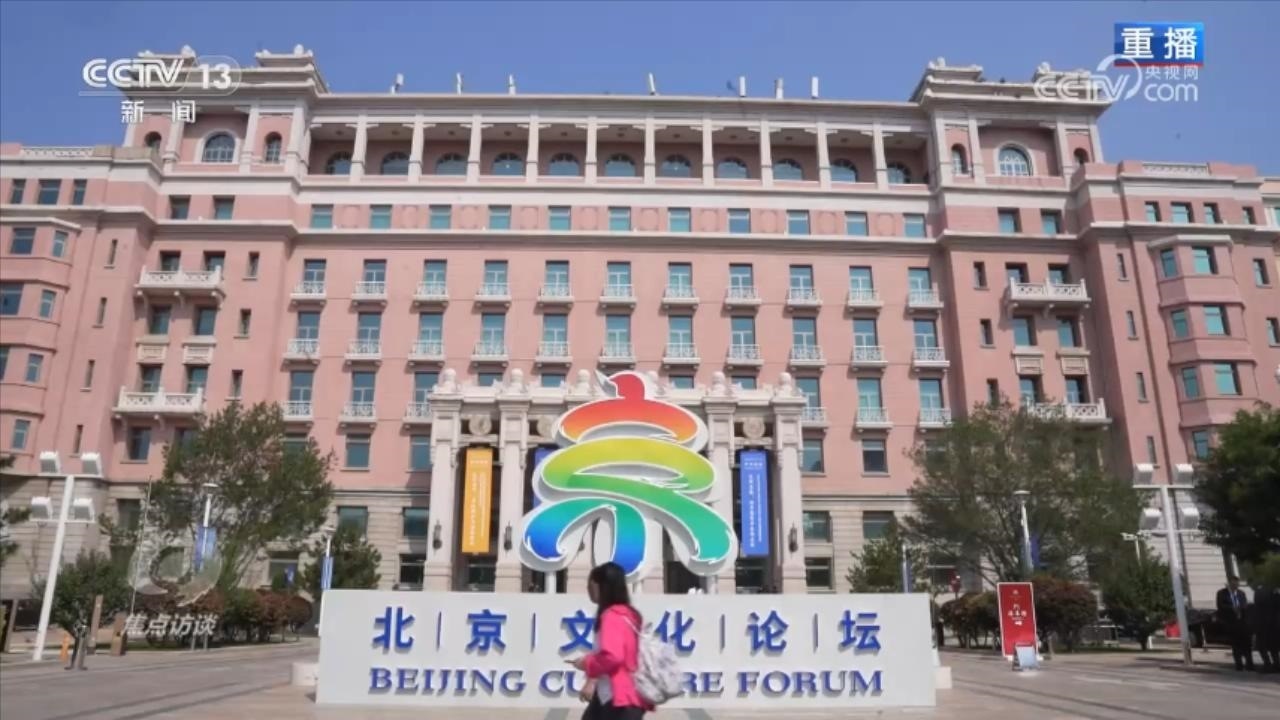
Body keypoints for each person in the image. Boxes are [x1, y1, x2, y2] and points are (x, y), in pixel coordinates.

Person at [569, 562, 650, 720]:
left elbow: (613, 656)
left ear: (602, 586)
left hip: (618, 699)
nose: (588, 589)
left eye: (591, 584)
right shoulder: (629, 614)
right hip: (623, 695)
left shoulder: (612, 617)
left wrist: (587, 663)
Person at [1216, 576, 1254, 671]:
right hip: (1231, 623)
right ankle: (1239, 664)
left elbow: (1244, 605)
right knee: (1236, 645)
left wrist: (1240, 609)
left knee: (1247, 645)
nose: (1235, 586)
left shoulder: (1241, 593)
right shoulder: (1222, 593)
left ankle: (1249, 664)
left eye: (1236, 584)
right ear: (1229, 584)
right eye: (1233, 584)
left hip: (1242, 623)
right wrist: (1232, 608)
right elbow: (1220, 606)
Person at [1252, 582, 1280, 673]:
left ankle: (1268, 664)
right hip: (1274, 624)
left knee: (1262, 646)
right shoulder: (1275, 592)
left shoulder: (1259, 592)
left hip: (1263, 624)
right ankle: (1276, 664)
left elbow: (1257, 607)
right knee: (1273, 647)